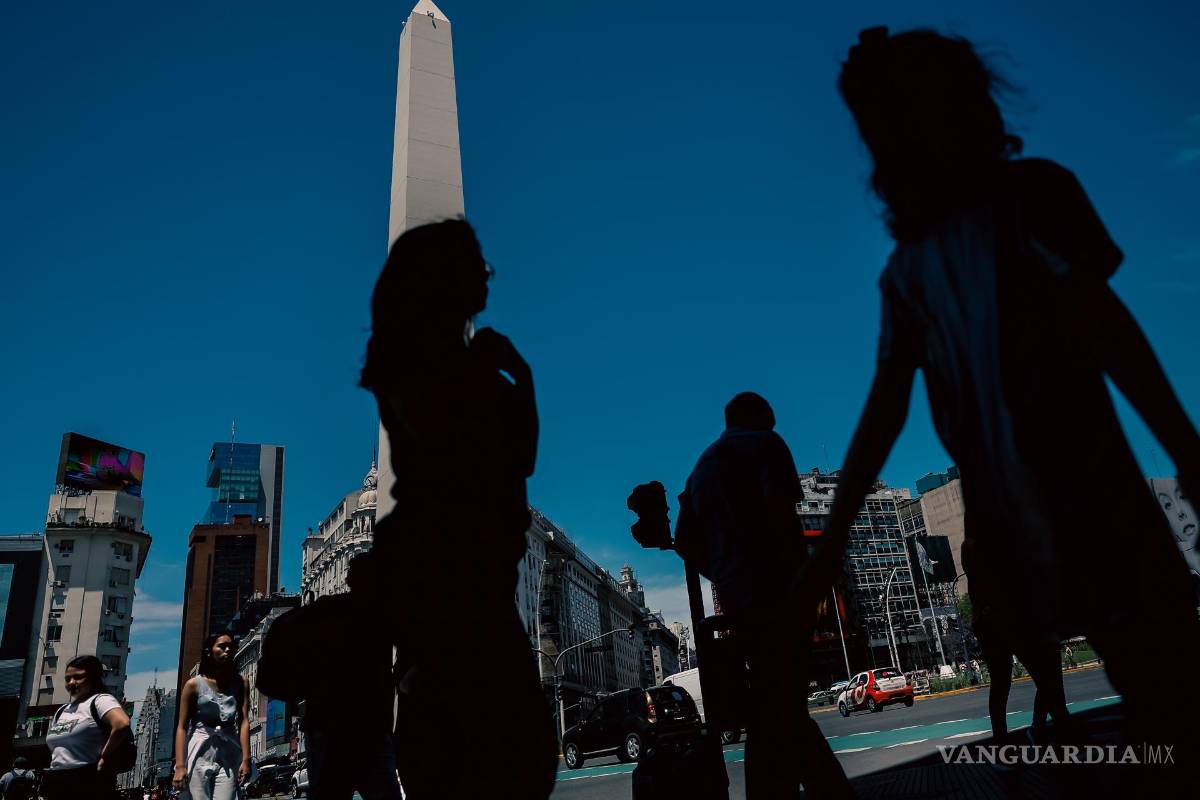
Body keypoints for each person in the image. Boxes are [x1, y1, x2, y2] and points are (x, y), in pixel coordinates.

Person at [794, 26, 1200, 769]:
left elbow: (1105, 329)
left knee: (1162, 684)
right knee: (1163, 689)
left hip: (1074, 496)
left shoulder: (1014, 209)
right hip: (1042, 510)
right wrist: (1183, 446)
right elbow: (1109, 330)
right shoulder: (930, 260)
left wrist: (1186, 449)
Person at [360, 219, 558, 798]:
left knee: (506, 750)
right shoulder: (426, 365)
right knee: (504, 751)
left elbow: (519, 462)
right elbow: (494, 459)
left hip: (473, 574)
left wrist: (519, 377)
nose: (487, 280)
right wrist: (509, 378)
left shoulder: (440, 362)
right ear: (446, 277)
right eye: (478, 267)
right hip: (454, 575)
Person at [673, 392, 854, 799]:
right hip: (779, 594)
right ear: (756, 414)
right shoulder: (766, 445)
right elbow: (782, 517)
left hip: (740, 603)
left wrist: (722, 570)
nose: (775, 417)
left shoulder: (700, 469)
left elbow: (685, 540)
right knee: (785, 705)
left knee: (774, 707)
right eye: (770, 410)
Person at [299, 551, 402, 800]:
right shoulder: (385, 616)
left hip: (330, 727)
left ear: (347, 579)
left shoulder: (324, 610)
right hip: (365, 730)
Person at [173, 633, 251, 800]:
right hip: (200, 751)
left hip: (229, 753)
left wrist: (246, 759)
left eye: (231, 646)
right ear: (209, 651)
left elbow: (244, 721)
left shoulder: (241, 682)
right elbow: (182, 727)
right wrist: (180, 766)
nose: (228, 650)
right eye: (222, 646)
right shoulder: (193, 685)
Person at [42, 655, 131, 800]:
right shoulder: (62, 710)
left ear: (93, 678)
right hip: (56, 781)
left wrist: (104, 756)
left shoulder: (100, 701)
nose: (71, 683)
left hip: (86, 781)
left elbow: (122, 724)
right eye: (67, 678)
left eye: (78, 677)